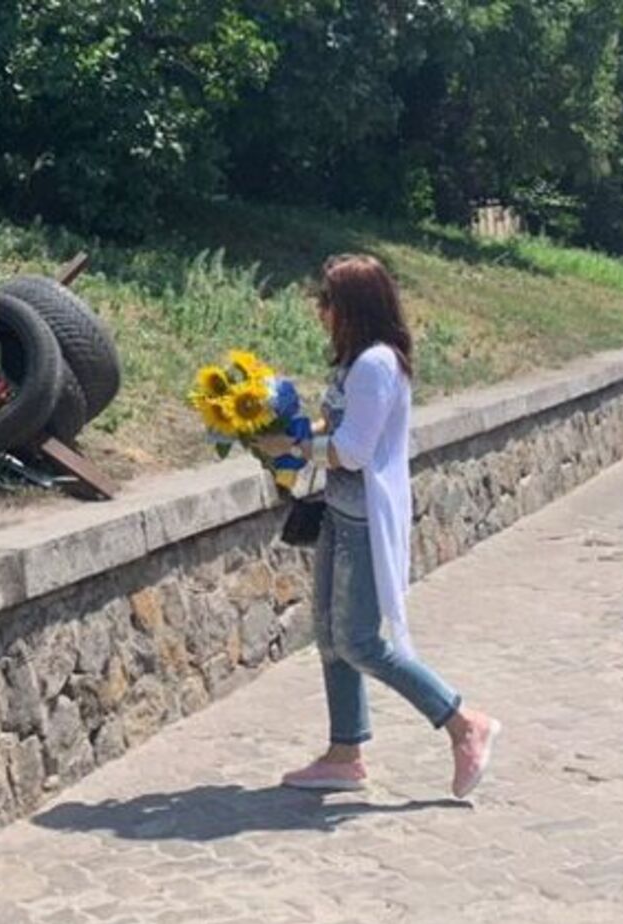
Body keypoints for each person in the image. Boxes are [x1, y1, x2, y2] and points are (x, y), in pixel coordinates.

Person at [253, 254, 501, 798]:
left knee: (361, 641)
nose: (320, 310)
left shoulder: (376, 365)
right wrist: (281, 428)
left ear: (353, 307)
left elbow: (352, 451)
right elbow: (338, 426)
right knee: (329, 633)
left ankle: (463, 724)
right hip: (340, 513)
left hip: (363, 518)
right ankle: (345, 753)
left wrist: (293, 448)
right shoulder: (354, 363)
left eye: (328, 300)